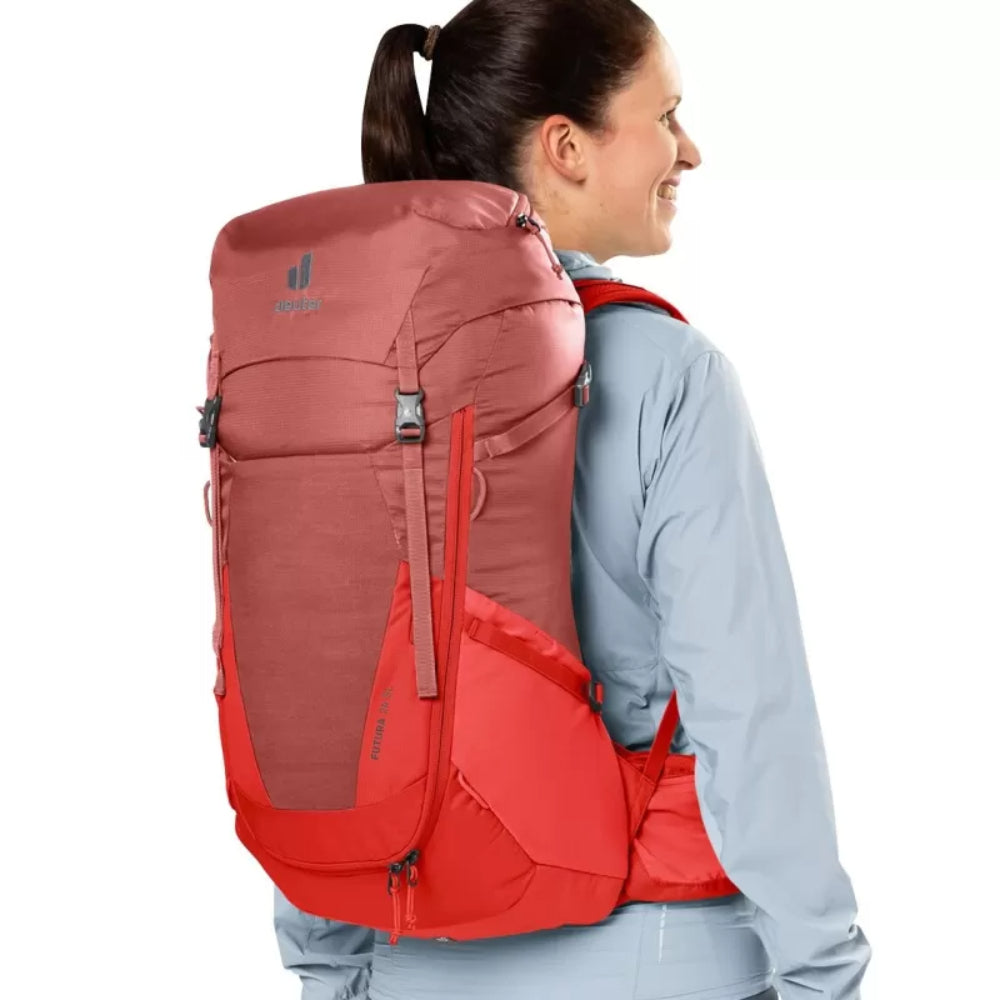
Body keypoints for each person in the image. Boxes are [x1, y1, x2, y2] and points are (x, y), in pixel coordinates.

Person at [274, 2, 872, 998]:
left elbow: (313, 682)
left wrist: (331, 964)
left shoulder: (356, 368)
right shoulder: (669, 372)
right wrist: (824, 971)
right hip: (656, 949)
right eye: (666, 115)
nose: (690, 150)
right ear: (567, 146)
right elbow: (750, 715)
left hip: (413, 949)